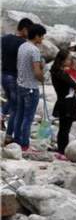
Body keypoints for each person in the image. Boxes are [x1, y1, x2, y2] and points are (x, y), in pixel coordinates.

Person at [12, 23, 46, 153]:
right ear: (37, 36)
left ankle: (17, 141)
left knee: (19, 115)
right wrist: (42, 78)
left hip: (20, 85)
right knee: (28, 117)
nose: (42, 39)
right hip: (31, 88)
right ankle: (25, 144)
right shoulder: (34, 50)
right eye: (42, 37)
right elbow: (37, 72)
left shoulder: (22, 46)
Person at [1, 17, 32, 141]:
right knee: (16, 108)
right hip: (14, 77)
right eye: (30, 31)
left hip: (3, 76)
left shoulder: (5, 38)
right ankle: (9, 136)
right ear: (24, 30)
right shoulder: (23, 44)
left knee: (10, 102)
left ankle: (2, 116)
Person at [50, 48, 76, 159]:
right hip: (67, 103)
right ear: (62, 60)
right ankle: (62, 151)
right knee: (65, 129)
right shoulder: (62, 74)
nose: (70, 61)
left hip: (62, 101)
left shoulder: (56, 71)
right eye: (69, 59)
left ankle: (61, 149)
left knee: (63, 128)